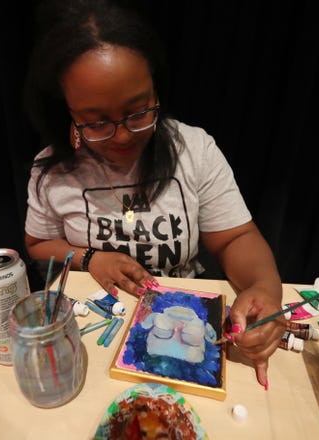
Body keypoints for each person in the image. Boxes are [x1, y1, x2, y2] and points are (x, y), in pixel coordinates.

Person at [22, 0, 284, 389]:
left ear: (155, 91)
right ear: (68, 113)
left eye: (138, 111)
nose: (123, 136)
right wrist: (90, 258)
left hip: (187, 333)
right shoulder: (52, 170)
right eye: (96, 122)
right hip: (95, 344)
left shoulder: (193, 150)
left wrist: (265, 290)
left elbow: (236, 237)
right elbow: (38, 243)